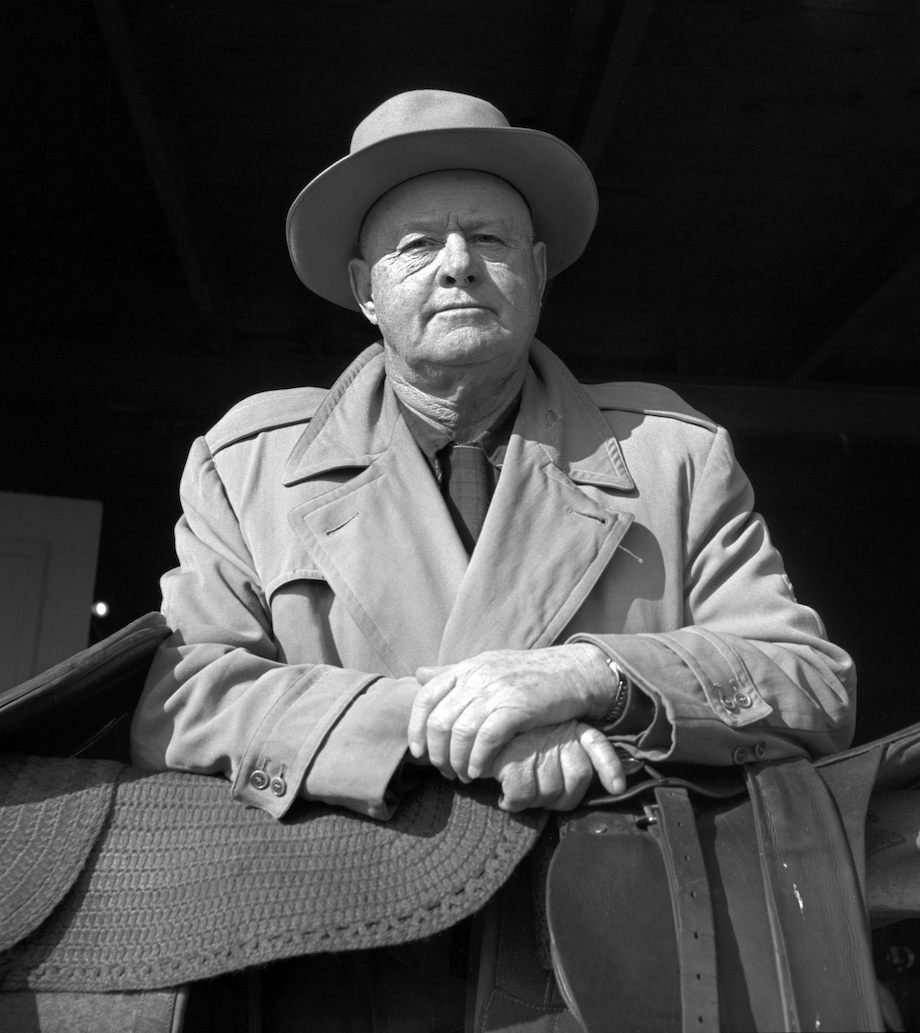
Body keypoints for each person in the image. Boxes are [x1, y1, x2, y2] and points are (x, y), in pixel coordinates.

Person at [130, 88, 855, 822]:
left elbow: (812, 687)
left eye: (490, 239)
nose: (458, 266)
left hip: (605, 903)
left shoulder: (674, 457)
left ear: (537, 272)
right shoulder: (248, 465)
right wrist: (452, 724)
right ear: (365, 291)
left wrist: (592, 677)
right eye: (416, 246)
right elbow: (185, 698)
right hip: (345, 902)